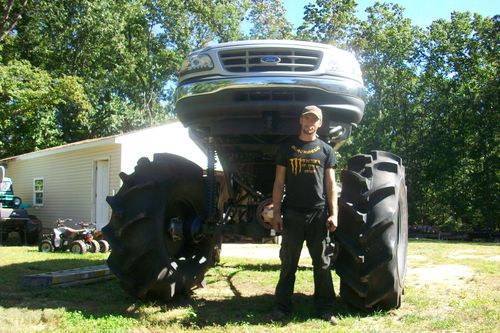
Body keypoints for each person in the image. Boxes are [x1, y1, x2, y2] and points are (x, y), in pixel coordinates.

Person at [270, 105, 338, 325]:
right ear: (300, 120)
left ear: (320, 123)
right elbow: (279, 182)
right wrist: (277, 212)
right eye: (307, 118)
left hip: (318, 215)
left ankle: (326, 309)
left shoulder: (326, 150)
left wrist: (334, 213)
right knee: (288, 263)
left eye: (314, 119)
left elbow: (330, 184)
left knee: (322, 264)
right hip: (292, 214)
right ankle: (281, 307)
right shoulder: (287, 148)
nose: (310, 122)